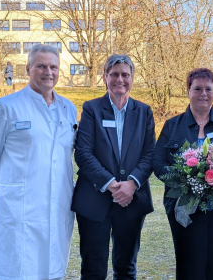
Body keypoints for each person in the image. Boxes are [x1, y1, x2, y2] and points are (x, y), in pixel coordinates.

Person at [0, 44, 77, 280]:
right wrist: (10, 186)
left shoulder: (69, 109)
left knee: (52, 266)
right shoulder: (6, 107)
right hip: (20, 203)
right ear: (28, 69)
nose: (48, 72)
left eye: (53, 67)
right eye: (41, 66)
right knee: (19, 267)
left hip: (59, 199)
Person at [153, 68, 213, 280]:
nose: (203, 94)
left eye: (208, 89)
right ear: (188, 90)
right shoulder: (172, 126)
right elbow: (158, 162)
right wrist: (184, 180)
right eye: (197, 88)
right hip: (184, 208)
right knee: (189, 265)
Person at [71, 54, 156, 280]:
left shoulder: (144, 112)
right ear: (105, 77)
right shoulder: (91, 109)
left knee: (126, 268)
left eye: (125, 75)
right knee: (93, 268)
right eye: (114, 74)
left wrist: (131, 184)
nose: (120, 79)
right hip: (94, 199)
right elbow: (83, 153)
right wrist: (111, 184)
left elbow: (149, 154)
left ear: (132, 78)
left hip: (131, 199)